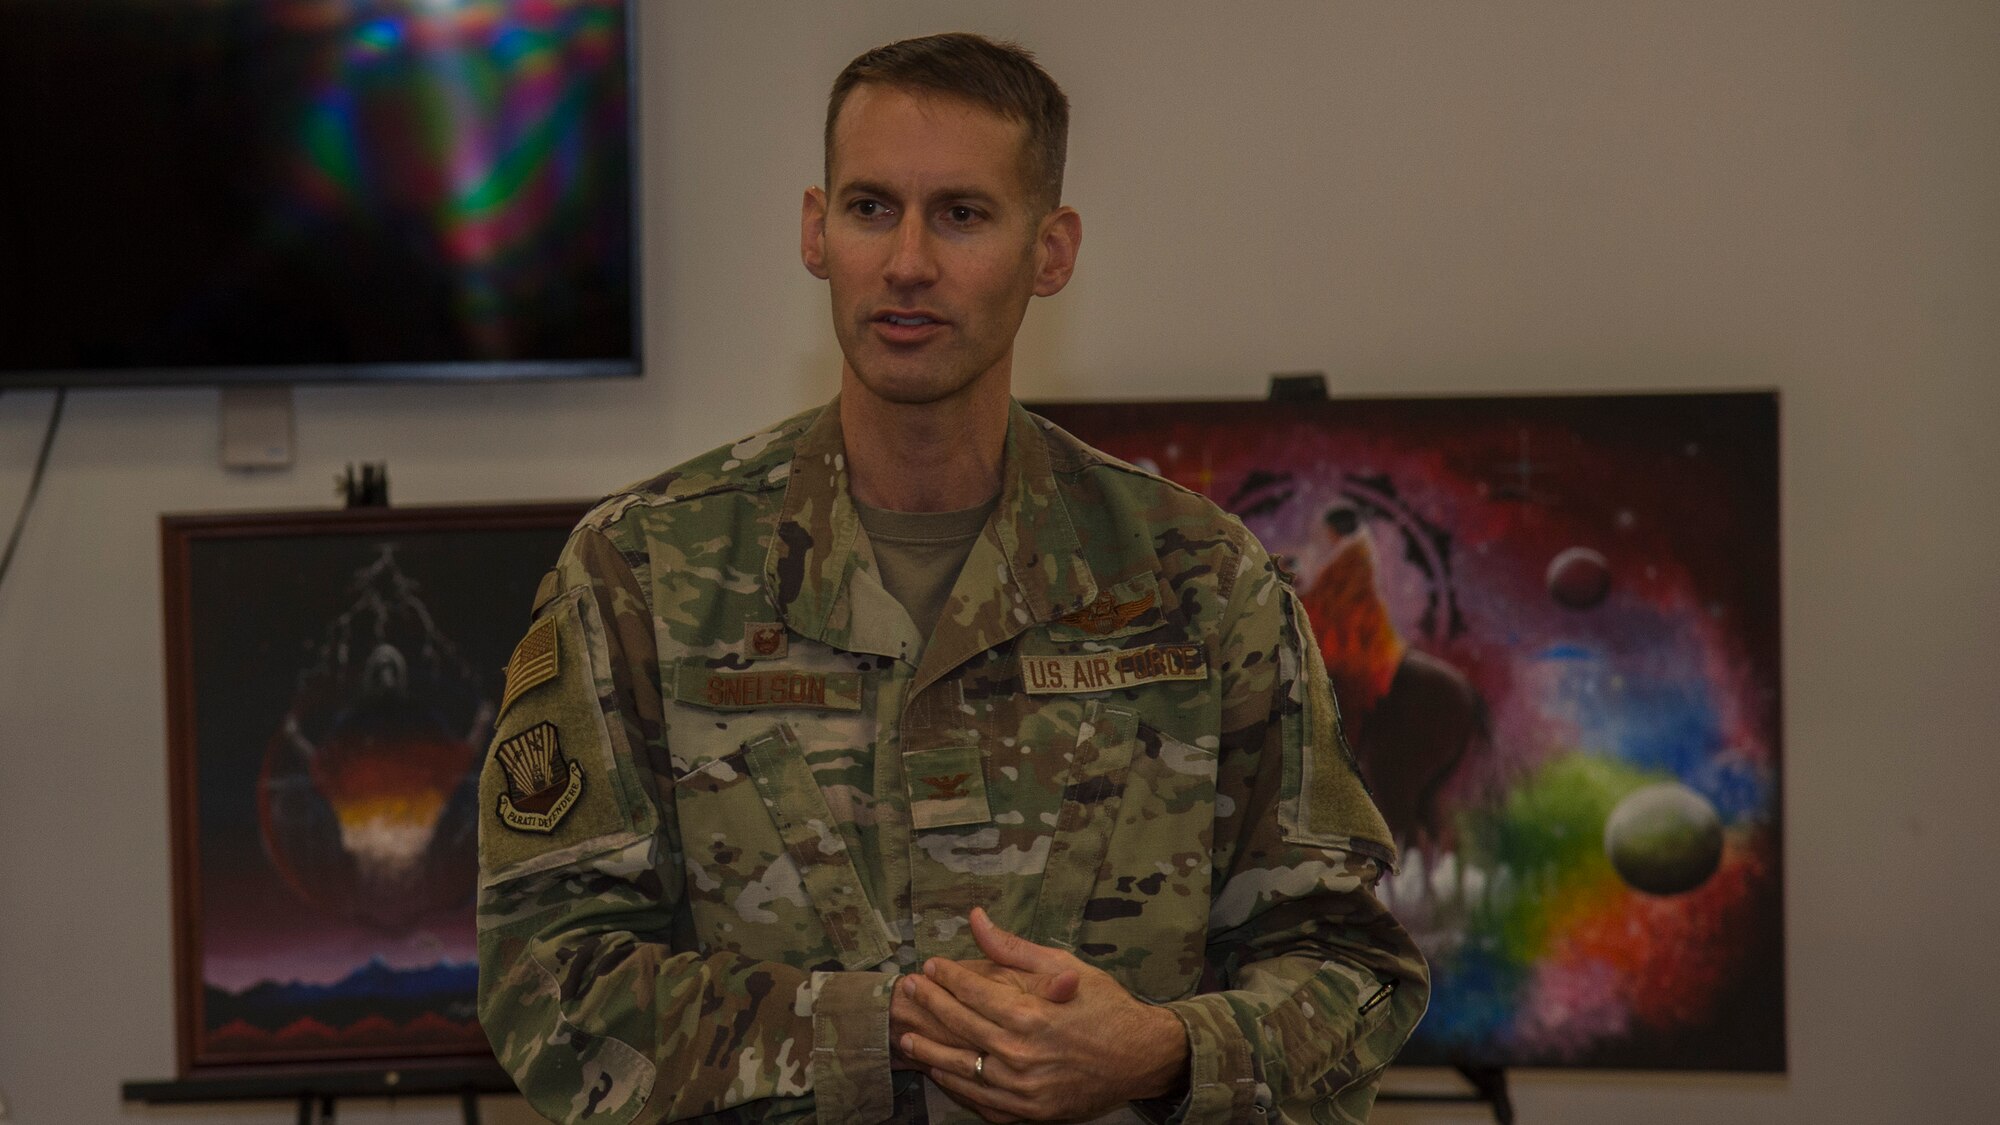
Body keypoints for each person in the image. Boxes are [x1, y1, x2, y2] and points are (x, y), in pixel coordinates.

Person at [476, 32, 1427, 1125]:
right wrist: (880, 1030)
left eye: (962, 215)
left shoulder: (1199, 581)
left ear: (1051, 251)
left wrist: (1159, 1051)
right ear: (813, 231)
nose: (908, 262)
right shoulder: (644, 570)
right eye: (870, 208)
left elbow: (1349, 972)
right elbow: (545, 978)